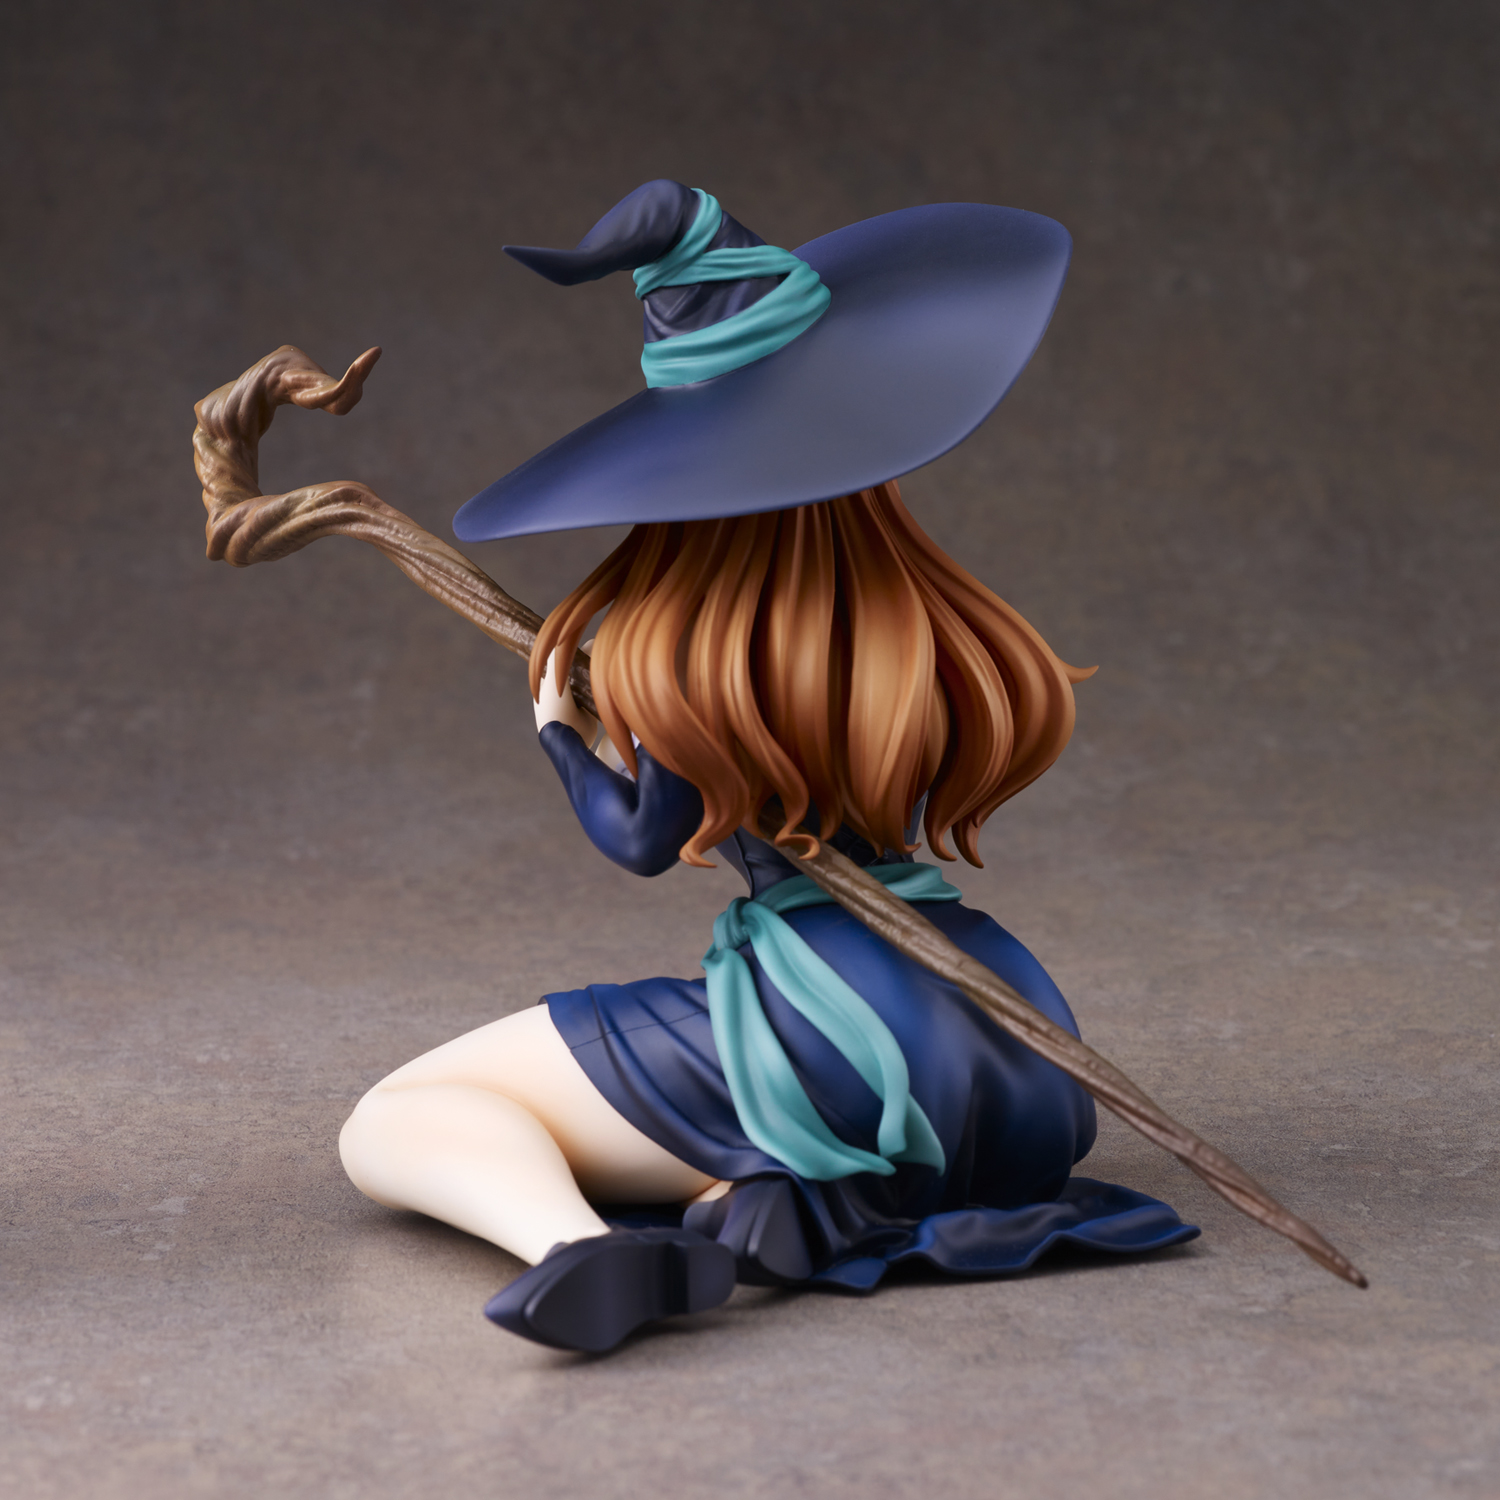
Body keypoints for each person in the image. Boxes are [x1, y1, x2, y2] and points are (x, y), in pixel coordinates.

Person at [337, 181, 1197, 1353]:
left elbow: (641, 842)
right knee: (684, 1127)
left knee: (399, 1117)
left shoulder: (699, 659)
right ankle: (781, 1194)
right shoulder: (909, 626)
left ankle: (579, 1249)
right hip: (1000, 1028)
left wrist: (562, 736)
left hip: (824, 1029)